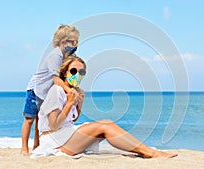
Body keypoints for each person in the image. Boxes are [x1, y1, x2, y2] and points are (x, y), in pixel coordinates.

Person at [32, 56, 178, 159]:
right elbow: (53, 124)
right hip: (54, 141)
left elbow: (71, 119)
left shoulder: (73, 92)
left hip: (66, 136)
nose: (77, 75)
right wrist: (70, 102)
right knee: (105, 125)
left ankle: (143, 150)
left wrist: (79, 103)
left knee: (104, 130)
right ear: (65, 73)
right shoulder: (56, 91)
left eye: (81, 72)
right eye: (73, 71)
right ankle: (150, 152)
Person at [21, 25, 81, 155]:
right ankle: (24, 148)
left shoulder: (71, 56)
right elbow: (56, 79)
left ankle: (37, 145)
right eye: (72, 41)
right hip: (36, 89)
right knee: (30, 119)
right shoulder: (56, 56)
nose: (75, 44)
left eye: (77, 41)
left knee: (40, 120)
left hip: (48, 92)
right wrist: (69, 91)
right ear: (62, 42)